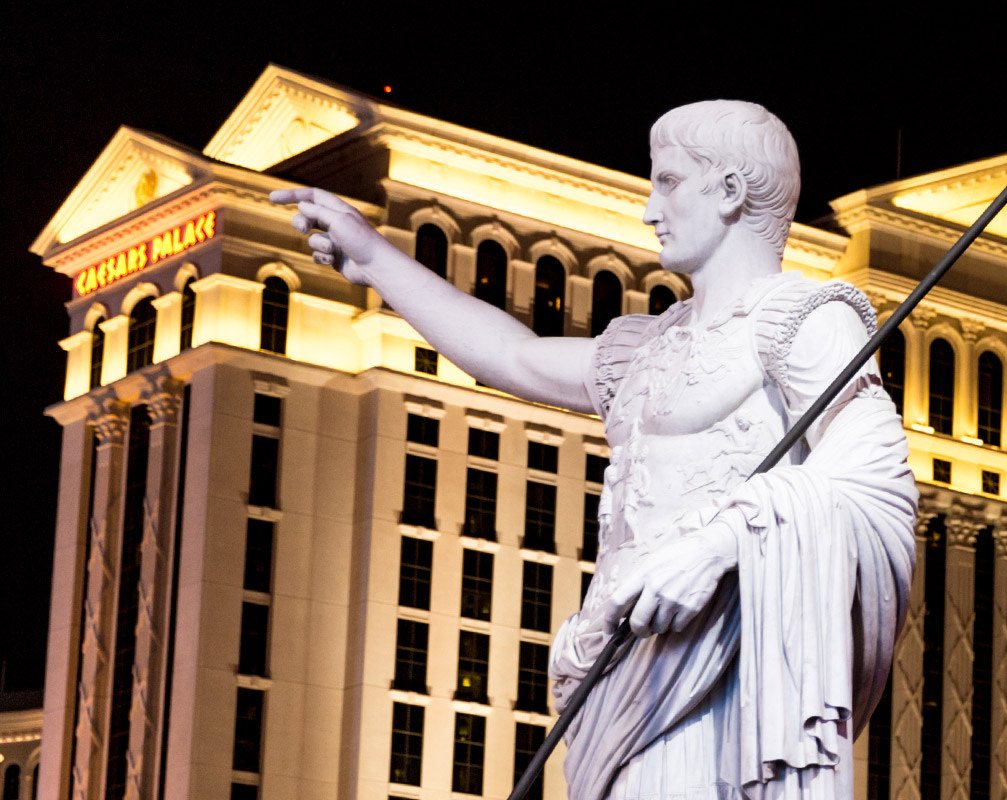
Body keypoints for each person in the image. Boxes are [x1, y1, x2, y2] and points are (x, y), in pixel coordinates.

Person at [272, 100, 917, 800]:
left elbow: (873, 481)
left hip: (717, 690)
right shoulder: (646, 347)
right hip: (616, 676)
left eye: (668, 182)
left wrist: (723, 543)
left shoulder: (804, 321)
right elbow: (511, 357)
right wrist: (377, 260)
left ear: (731, 191)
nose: (649, 210)